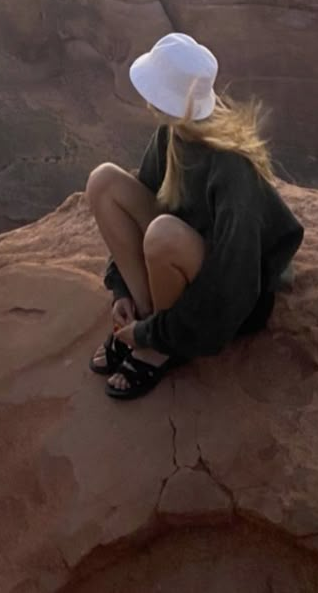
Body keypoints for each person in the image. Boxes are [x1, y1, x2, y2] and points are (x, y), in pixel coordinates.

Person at [86, 32, 304, 401]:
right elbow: (148, 191)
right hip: (187, 256)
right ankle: (144, 311)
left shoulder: (232, 167)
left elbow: (236, 282)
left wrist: (151, 336)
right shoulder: (173, 132)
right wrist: (121, 288)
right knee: (103, 181)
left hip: (234, 294)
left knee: (163, 234)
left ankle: (161, 343)